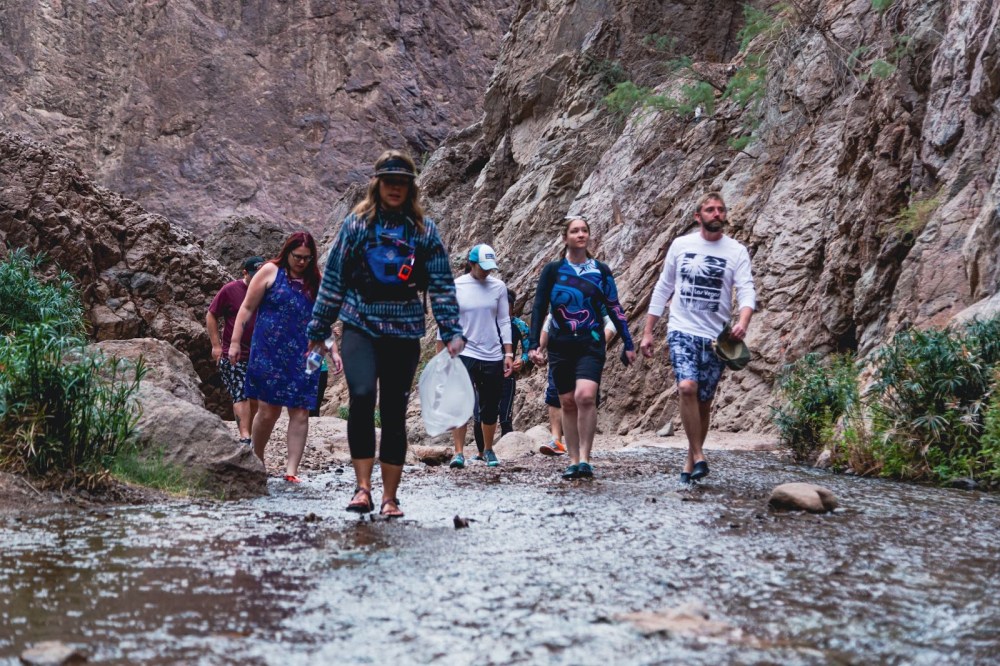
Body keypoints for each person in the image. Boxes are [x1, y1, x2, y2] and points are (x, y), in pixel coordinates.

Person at [306, 150, 464, 518]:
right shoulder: (357, 225)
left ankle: (390, 497)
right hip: (360, 323)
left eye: (402, 182)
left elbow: (441, 284)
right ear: (377, 184)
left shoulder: (424, 231)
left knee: (393, 410)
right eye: (389, 181)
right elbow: (334, 279)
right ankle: (363, 488)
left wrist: (451, 329)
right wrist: (318, 327)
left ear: (411, 188)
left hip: (405, 329)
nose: (395, 188)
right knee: (361, 396)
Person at [640, 192, 756, 484]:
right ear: (698, 216)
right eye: (710, 209)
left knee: (704, 402)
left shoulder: (736, 251)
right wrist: (648, 331)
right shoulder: (682, 245)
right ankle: (700, 455)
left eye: (720, 209)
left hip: (716, 338)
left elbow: (746, 290)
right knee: (687, 386)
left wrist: (742, 321)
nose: (716, 213)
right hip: (681, 329)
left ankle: (689, 464)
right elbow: (663, 287)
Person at [528, 217, 637, 479]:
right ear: (565, 238)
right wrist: (533, 344)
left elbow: (614, 307)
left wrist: (628, 342)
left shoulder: (600, 270)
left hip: (591, 342)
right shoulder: (553, 271)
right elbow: (540, 307)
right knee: (567, 401)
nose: (580, 234)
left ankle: (586, 459)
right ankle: (573, 459)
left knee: (585, 396)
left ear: (589, 236)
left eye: (584, 230)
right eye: (575, 231)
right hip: (560, 344)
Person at [229, 232, 334, 483]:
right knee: (268, 410)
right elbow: (247, 307)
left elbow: (324, 320)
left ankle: (291, 471)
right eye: (297, 257)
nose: (301, 262)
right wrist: (234, 342)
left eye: (307, 258)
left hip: (308, 353)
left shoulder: (317, 281)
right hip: (269, 349)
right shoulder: (269, 271)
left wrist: (331, 348)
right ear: (287, 253)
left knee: (301, 410)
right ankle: (257, 457)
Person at [440, 244, 513, 469]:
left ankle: (488, 450)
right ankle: (459, 452)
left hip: (492, 353)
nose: (487, 272)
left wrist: (508, 352)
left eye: (490, 267)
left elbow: (503, 320)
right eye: (483, 267)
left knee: (490, 405)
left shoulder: (498, 287)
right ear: (471, 264)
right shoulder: (457, 286)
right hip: (464, 352)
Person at [538, 310, 617, 456]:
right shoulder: (560, 292)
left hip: (587, 353)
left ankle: (581, 444)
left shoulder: (594, 292)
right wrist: (540, 347)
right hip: (560, 350)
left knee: (584, 396)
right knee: (555, 392)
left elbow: (611, 321)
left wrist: (599, 340)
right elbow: (550, 320)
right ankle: (556, 440)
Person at [207, 256, 264, 445]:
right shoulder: (230, 290)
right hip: (234, 355)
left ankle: (250, 431)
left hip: (260, 355)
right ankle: (245, 436)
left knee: (255, 398)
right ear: (245, 273)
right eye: (254, 275)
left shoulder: (268, 291)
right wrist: (216, 345)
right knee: (240, 392)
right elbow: (211, 314)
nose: (258, 279)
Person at [472, 288, 530, 456]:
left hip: (507, 376)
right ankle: (482, 453)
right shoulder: (484, 323)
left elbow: (528, 348)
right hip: (483, 374)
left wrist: (522, 360)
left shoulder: (519, 325)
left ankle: (507, 453)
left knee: (505, 417)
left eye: (508, 306)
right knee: (478, 417)